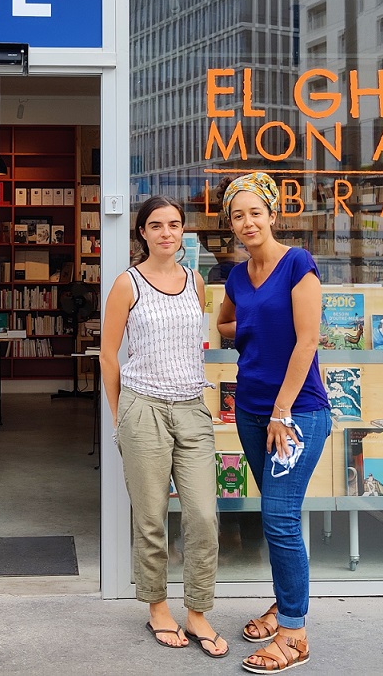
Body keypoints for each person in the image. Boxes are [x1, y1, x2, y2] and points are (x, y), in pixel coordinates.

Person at [99, 195, 229, 659]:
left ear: (183, 231)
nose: (166, 233)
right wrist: (120, 415)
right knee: (151, 516)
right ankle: (157, 607)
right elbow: (108, 355)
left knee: (203, 516)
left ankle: (197, 610)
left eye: (174, 224)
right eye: (156, 225)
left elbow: (195, 342)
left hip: (191, 407)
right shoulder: (127, 283)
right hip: (144, 409)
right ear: (142, 232)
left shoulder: (196, 281)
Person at [215, 172, 331, 673]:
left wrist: (282, 412)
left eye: (255, 213)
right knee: (277, 516)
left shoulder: (298, 264)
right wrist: (252, 325)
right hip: (250, 410)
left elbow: (308, 341)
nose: (247, 223)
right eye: (238, 215)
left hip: (296, 412)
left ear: (272, 215)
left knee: (279, 519)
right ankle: (285, 606)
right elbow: (224, 323)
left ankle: (294, 634)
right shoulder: (237, 277)